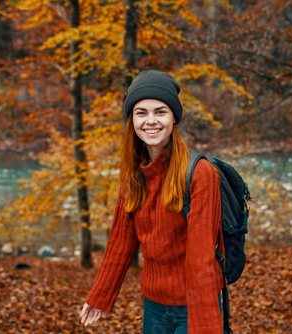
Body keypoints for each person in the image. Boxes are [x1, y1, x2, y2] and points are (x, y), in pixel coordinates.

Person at [80, 70, 225, 333]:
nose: (151, 121)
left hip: (195, 303)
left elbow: (201, 258)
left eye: (160, 112)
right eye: (141, 112)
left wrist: (206, 326)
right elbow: (121, 242)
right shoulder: (133, 175)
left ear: (173, 118)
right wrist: (100, 297)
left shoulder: (200, 173)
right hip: (155, 306)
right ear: (131, 120)